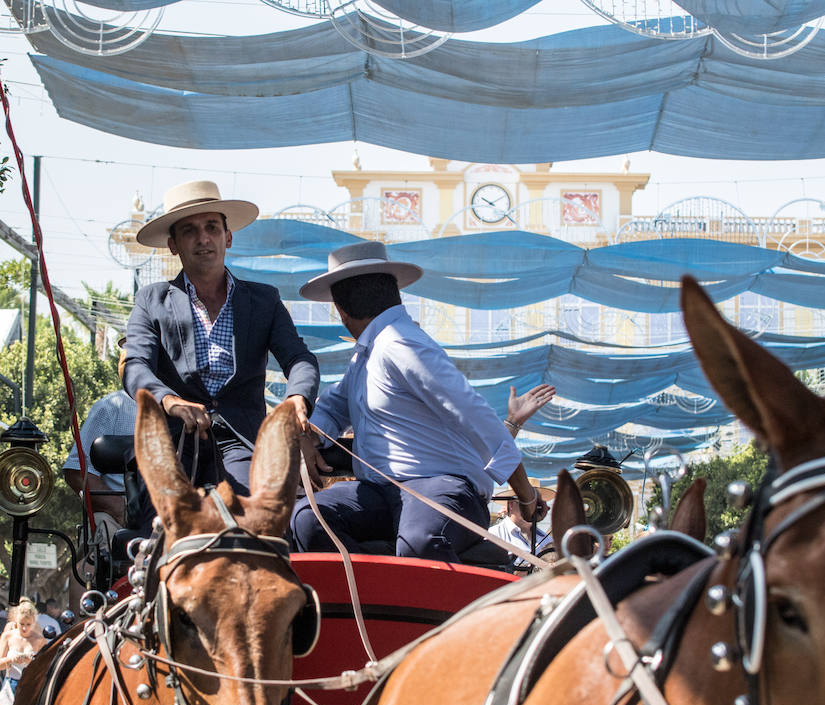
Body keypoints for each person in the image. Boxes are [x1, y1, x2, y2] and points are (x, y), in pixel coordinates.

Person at [290, 240, 541, 563]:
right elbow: (330, 408)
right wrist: (310, 436)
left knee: (420, 541)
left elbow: (476, 415)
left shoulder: (402, 343)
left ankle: (420, 600)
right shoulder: (365, 357)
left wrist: (526, 494)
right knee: (307, 519)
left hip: (444, 487)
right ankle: (368, 601)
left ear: (340, 310)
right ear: (393, 292)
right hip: (382, 491)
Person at [124, 180, 319, 495]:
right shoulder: (151, 299)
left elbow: (299, 358)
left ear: (227, 237)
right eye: (189, 231)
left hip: (242, 442)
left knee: (262, 517)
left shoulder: (264, 300)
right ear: (173, 244)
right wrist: (170, 401)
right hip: (174, 442)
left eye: (212, 228)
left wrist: (297, 396)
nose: (203, 239)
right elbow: (135, 365)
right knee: (161, 524)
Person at [63, 339, 137, 536]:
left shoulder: (186, 408)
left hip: (174, 511)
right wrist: (119, 508)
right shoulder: (111, 407)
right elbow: (78, 471)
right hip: (120, 517)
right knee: (102, 527)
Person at [0, 599, 47, 705]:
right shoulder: (8, 636)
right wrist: (10, 660)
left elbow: (46, 667)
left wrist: (31, 661)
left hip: (31, 686)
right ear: (16, 621)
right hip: (10, 685)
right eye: (21, 624)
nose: (25, 628)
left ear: (33, 622)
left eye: (28, 624)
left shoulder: (39, 640)